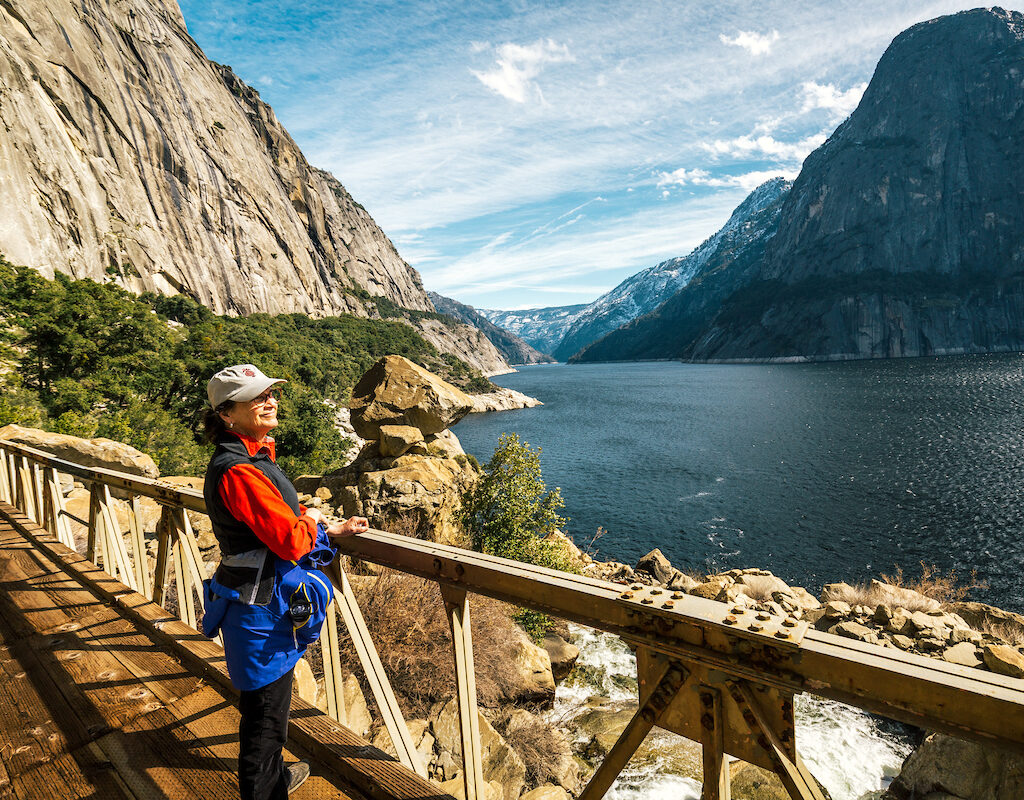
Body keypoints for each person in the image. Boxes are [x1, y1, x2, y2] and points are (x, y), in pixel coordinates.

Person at [201, 364, 368, 800]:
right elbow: (291, 539)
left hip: (259, 598)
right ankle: (263, 791)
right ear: (226, 414)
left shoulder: (253, 457)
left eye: (271, 393)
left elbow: (270, 533)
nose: (270, 400)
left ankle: (274, 778)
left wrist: (330, 532)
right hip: (259, 608)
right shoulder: (238, 469)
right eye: (257, 397)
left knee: (270, 706)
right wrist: (312, 519)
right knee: (264, 717)